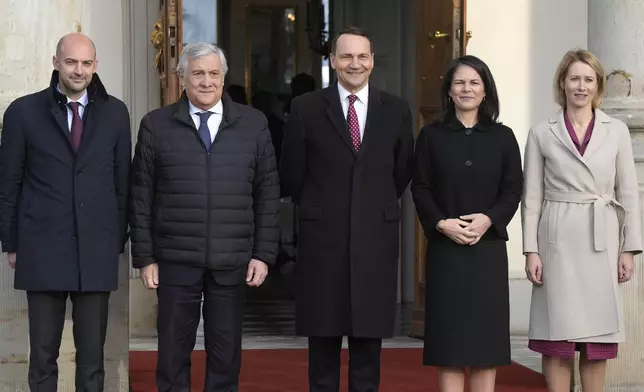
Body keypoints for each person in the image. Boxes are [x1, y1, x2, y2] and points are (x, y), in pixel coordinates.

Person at [129, 42, 280, 391]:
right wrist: (146, 257)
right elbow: (141, 196)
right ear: (182, 77)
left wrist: (263, 253)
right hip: (175, 258)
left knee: (225, 354)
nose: (207, 81)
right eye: (198, 73)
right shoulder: (156, 125)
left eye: (214, 73)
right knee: (171, 352)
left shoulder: (253, 124)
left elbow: (267, 193)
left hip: (232, 259)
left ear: (224, 78)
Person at [280, 26, 414, 392]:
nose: (355, 64)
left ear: (372, 61)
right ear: (333, 61)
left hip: (375, 239)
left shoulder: (397, 110)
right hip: (323, 240)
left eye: (362, 56)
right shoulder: (305, 108)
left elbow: (402, 171)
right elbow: (292, 174)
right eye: (346, 56)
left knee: (368, 345)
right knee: (322, 344)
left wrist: (370, 203)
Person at [0, 33, 131, 391]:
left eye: (86, 63)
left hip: (96, 250)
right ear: (56, 62)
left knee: (93, 361)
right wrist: (11, 241)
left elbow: (123, 185)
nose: (79, 70)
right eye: (71, 62)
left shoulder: (116, 113)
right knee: (42, 359)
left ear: (95, 65)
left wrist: (116, 242)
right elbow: (8, 184)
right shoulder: (22, 112)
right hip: (41, 248)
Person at [522, 49, 642, 392]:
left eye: (588, 79)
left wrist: (629, 249)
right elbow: (531, 197)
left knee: (596, 343)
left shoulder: (616, 130)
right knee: (556, 341)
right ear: (562, 82)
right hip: (556, 237)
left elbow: (628, 192)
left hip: (601, 236)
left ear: (598, 85)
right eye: (574, 78)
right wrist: (531, 250)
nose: (581, 86)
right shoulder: (542, 132)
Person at [411, 55, 523, 392]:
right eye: (459, 82)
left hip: (487, 252)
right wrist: (442, 223)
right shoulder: (431, 135)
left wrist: (489, 219)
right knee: (450, 346)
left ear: (486, 90)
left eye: (475, 82)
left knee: (486, 347)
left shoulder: (503, 136)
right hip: (446, 253)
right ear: (448, 91)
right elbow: (420, 187)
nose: (467, 89)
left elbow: (513, 187)